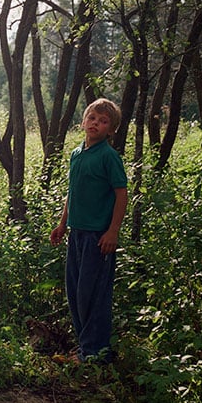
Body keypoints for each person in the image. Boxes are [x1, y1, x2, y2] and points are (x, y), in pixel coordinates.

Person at [50, 98, 128, 363]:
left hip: (98, 237)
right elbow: (72, 192)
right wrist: (63, 224)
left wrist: (113, 231)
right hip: (76, 234)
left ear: (111, 130)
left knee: (92, 294)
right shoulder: (77, 154)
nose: (96, 123)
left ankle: (95, 353)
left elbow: (121, 194)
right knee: (75, 292)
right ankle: (84, 347)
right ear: (84, 121)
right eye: (93, 118)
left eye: (104, 121)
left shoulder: (108, 157)